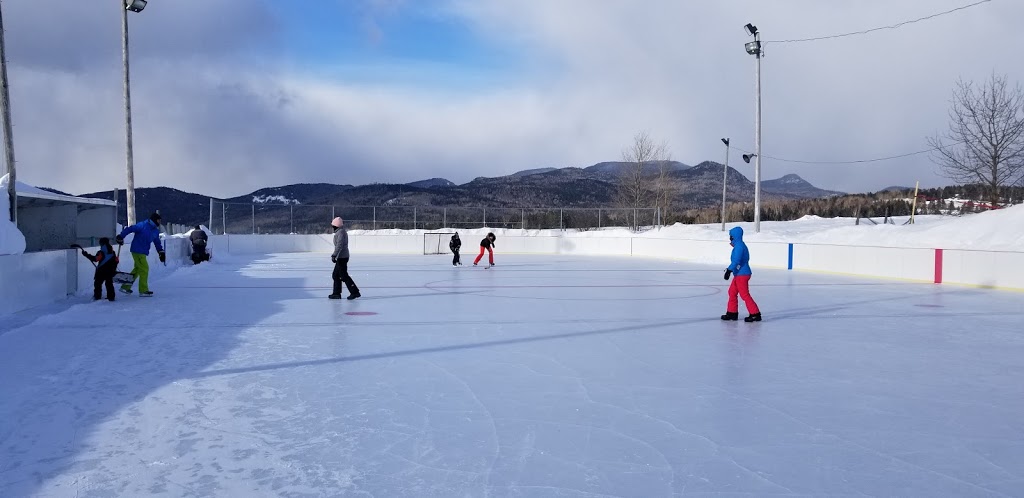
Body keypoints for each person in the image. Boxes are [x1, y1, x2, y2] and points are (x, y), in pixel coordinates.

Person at [116, 212, 165, 297]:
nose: (159, 222)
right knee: (144, 269)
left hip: (143, 251)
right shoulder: (143, 225)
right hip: (137, 250)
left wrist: (161, 252)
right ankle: (143, 290)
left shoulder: (155, 231)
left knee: (138, 269)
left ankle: (125, 287)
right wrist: (121, 236)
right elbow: (130, 229)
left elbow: (157, 242)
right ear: (154, 220)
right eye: (158, 220)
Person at [721, 226, 762, 322]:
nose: (730, 238)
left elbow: (736, 261)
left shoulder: (739, 246)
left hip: (742, 274)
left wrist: (729, 270)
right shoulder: (739, 245)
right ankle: (732, 313)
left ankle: (755, 314)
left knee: (744, 294)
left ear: (735, 236)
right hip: (739, 273)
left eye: (731, 236)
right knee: (732, 292)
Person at [329, 217, 361, 300]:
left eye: (333, 225)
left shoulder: (341, 233)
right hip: (341, 256)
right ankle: (336, 293)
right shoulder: (340, 232)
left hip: (342, 257)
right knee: (336, 275)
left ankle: (355, 292)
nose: (332, 227)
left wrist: (334, 255)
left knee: (343, 276)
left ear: (336, 226)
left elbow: (339, 245)